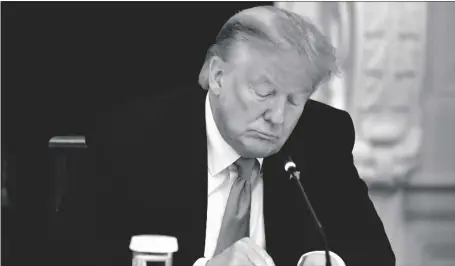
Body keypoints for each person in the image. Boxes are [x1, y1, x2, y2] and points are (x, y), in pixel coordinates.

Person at [59, 5, 394, 266]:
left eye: (294, 100)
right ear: (218, 76)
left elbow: (374, 255)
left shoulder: (321, 137)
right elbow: (74, 255)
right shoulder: (134, 137)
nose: (277, 117)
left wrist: (327, 260)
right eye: (264, 92)